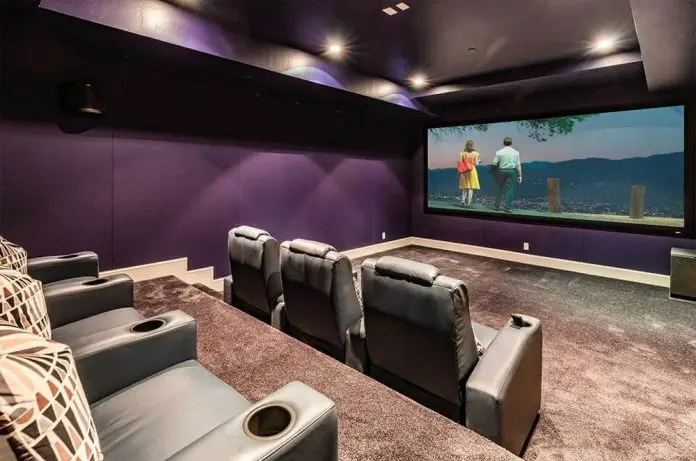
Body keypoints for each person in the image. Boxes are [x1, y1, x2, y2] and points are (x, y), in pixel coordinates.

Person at [492, 137, 522, 212]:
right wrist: (520, 175)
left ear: (503, 143)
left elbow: (494, 163)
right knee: (510, 190)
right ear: (511, 143)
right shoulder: (516, 152)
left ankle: (497, 206)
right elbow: (518, 165)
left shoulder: (499, 152)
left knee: (499, 189)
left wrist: (494, 171)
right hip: (511, 171)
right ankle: (508, 207)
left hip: (501, 171)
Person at [458, 140, 481, 206]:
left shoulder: (462, 153)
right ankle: (469, 203)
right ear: (472, 145)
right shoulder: (476, 153)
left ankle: (463, 201)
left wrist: (459, 172)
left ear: (466, 145)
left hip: (464, 171)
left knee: (464, 187)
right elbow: (476, 163)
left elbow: (461, 163)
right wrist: (479, 161)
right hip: (472, 171)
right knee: (471, 187)